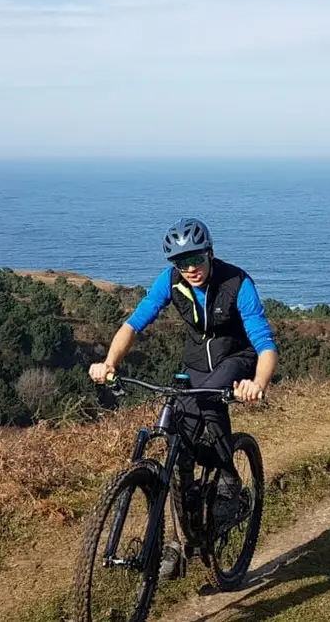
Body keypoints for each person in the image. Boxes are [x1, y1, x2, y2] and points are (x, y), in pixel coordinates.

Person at [87, 217, 277, 577]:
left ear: (210, 253)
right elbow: (134, 324)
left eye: (196, 259)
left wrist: (259, 383)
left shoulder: (237, 282)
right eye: (181, 262)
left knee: (205, 400)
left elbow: (266, 344)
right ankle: (181, 539)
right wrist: (109, 362)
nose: (190, 268)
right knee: (179, 446)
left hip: (236, 358)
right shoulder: (170, 281)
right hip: (195, 364)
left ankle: (228, 477)